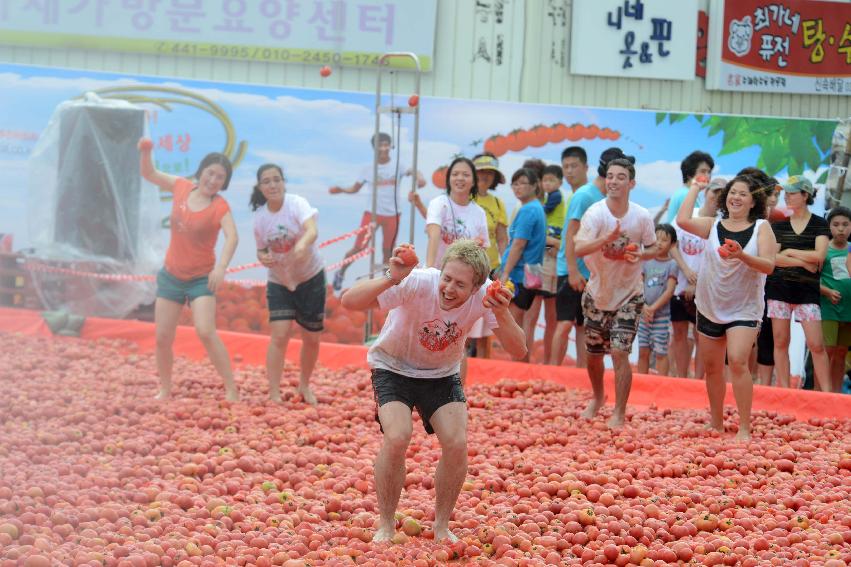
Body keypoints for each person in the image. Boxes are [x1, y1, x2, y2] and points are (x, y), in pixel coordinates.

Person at [340, 240, 526, 542]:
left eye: (460, 285)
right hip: (392, 366)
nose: (449, 289)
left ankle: (441, 526)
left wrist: (503, 314)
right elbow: (349, 301)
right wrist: (392, 276)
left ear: (477, 286)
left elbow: (519, 350)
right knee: (398, 436)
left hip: (441, 374)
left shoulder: (487, 295)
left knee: (456, 443)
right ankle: (385, 525)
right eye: (447, 278)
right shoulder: (418, 281)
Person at [137, 138, 239, 402]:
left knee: (205, 331)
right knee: (162, 337)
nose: (213, 179)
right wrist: (146, 152)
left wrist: (221, 268)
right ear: (201, 171)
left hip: (200, 279)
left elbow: (232, 237)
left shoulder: (220, 206)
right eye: (210, 173)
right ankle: (166, 389)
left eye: (220, 177)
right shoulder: (181, 187)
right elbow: (148, 173)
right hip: (171, 275)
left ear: (224, 183)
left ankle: (231, 388)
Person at [677, 175, 776, 441]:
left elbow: (769, 265)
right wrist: (695, 189)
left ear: (753, 200)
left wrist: (741, 254)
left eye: (743, 194)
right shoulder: (712, 224)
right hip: (710, 304)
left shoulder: (761, 227)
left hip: (744, 309)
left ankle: (744, 427)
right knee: (711, 367)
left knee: (738, 360)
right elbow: (682, 220)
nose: (736, 197)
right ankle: (717, 422)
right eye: (733, 192)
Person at [575, 158, 657, 428]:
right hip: (598, 292)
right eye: (610, 176)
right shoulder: (595, 213)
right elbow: (579, 248)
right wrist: (605, 240)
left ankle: (619, 412)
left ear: (631, 183)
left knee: (620, 352)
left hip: (630, 293)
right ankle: (598, 397)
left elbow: (654, 249)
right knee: (594, 354)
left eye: (620, 177)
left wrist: (640, 255)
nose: (613, 181)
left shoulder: (642, 216)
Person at [251, 164, 325, 405]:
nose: (272, 185)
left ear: (283, 182)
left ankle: (304, 385)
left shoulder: (296, 204)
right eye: (266, 181)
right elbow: (261, 249)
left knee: (311, 338)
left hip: (310, 277)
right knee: (280, 335)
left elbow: (311, 229)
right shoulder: (260, 218)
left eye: (276, 180)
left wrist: (302, 245)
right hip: (279, 280)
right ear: (260, 187)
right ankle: (274, 392)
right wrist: (263, 257)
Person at [329, 132, 426, 291]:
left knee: (388, 251)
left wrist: (420, 178)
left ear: (390, 146)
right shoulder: (368, 169)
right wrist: (340, 189)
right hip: (372, 214)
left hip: (392, 215)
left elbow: (413, 170)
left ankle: (384, 284)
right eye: (379, 145)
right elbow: (355, 188)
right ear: (374, 148)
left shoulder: (398, 165)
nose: (383, 148)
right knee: (359, 247)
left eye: (386, 144)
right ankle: (341, 273)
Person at [766, 177, 831, 391]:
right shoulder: (779, 225)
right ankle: (784, 391)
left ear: (805, 195)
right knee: (780, 342)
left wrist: (790, 252)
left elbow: (820, 255)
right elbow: (773, 258)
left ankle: (828, 395)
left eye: (792, 192)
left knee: (816, 345)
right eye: (786, 192)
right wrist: (805, 261)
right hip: (779, 289)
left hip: (807, 292)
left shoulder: (820, 223)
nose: (787, 196)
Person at [669, 177, 726, 378]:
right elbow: (671, 243)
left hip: (705, 289)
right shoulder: (688, 215)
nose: (717, 197)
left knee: (702, 335)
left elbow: (718, 258)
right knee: (678, 332)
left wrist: (698, 281)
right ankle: (682, 378)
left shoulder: (721, 224)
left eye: (722, 194)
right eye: (714, 192)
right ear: (706, 193)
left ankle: (700, 381)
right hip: (679, 284)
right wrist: (685, 270)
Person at [499, 168, 548, 360]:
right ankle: (521, 366)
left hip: (519, 275)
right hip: (529, 274)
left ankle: (518, 369)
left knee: (514, 324)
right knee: (520, 323)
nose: (518, 188)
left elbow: (519, 244)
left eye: (523, 183)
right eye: (515, 184)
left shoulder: (528, 210)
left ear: (535, 186)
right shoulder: (536, 207)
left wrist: (505, 273)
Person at [469, 153, 509, 359]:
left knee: (486, 325)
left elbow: (502, 238)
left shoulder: (498, 203)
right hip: (466, 269)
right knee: (462, 324)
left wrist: (505, 269)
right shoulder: (465, 198)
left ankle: (481, 371)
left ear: (495, 178)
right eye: (481, 172)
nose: (485, 176)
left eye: (489, 173)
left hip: (491, 268)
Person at [525, 164, 565, 364]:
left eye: (550, 180)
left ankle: (549, 362)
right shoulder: (529, 205)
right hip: (535, 259)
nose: (546, 184)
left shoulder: (555, 198)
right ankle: (525, 359)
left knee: (551, 314)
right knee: (531, 312)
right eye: (544, 180)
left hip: (551, 260)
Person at [425, 157, 489, 268]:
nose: (460, 178)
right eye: (455, 174)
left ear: (474, 181)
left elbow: (482, 248)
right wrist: (429, 270)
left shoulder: (479, 213)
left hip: (464, 277)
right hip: (437, 272)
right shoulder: (439, 203)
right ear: (449, 179)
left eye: (466, 175)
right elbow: (433, 236)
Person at [637, 224, 679, 376]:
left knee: (661, 352)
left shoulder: (672, 264)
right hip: (643, 315)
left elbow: (669, 291)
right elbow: (638, 285)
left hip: (661, 316)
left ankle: (662, 384)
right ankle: (641, 383)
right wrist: (644, 308)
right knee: (643, 350)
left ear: (673, 244)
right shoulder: (645, 261)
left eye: (664, 240)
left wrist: (652, 308)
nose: (659, 243)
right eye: (657, 239)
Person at [820, 206, 851, 392]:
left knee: (841, 352)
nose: (841, 229)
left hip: (849, 310)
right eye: (836, 224)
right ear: (829, 227)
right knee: (827, 351)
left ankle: (836, 394)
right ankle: (820, 392)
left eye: (846, 224)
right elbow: (809, 278)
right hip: (828, 309)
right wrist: (826, 291)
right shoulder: (823, 250)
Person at [666, 151, 714, 223]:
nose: (708, 176)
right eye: (703, 171)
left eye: (709, 172)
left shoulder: (685, 192)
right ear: (689, 174)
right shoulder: (686, 195)